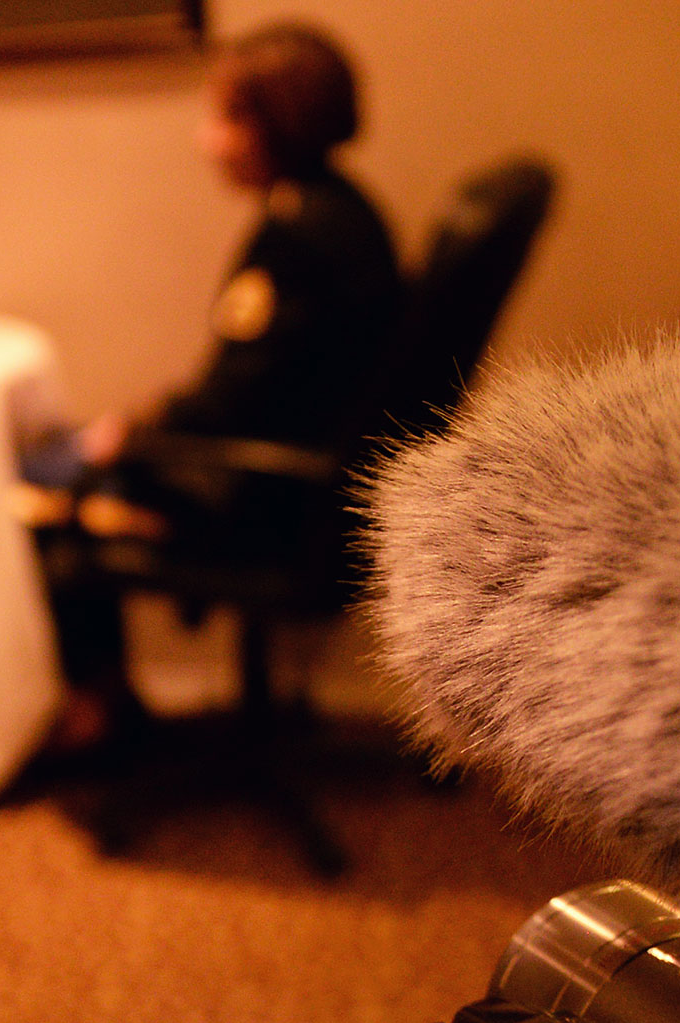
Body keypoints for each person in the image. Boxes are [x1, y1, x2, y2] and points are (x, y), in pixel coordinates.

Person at [26, 21, 403, 751]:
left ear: (277, 123)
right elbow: (254, 380)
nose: (208, 140)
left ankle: (100, 717)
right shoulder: (344, 211)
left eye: (226, 118)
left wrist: (132, 436)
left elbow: (234, 397)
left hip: (264, 498)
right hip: (307, 481)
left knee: (38, 488)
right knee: (63, 455)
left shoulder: (295, 236)